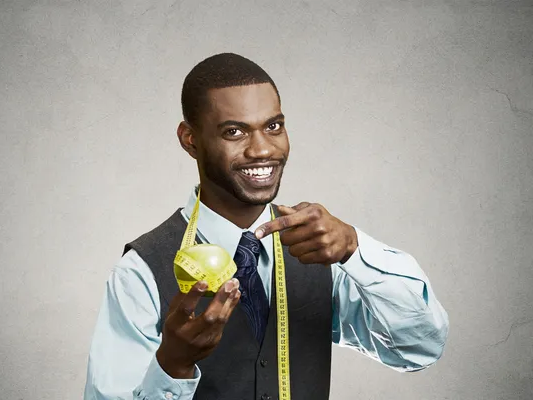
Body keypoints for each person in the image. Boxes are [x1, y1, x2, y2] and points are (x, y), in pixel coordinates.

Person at [83, 53, 450, 400]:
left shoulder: (319, 251)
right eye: (234, 132)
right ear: (190, 140)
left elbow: (419, 348)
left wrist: (355, 248)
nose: (262, 150)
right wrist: (173, 366)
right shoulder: (141, 272)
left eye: (273, 126)